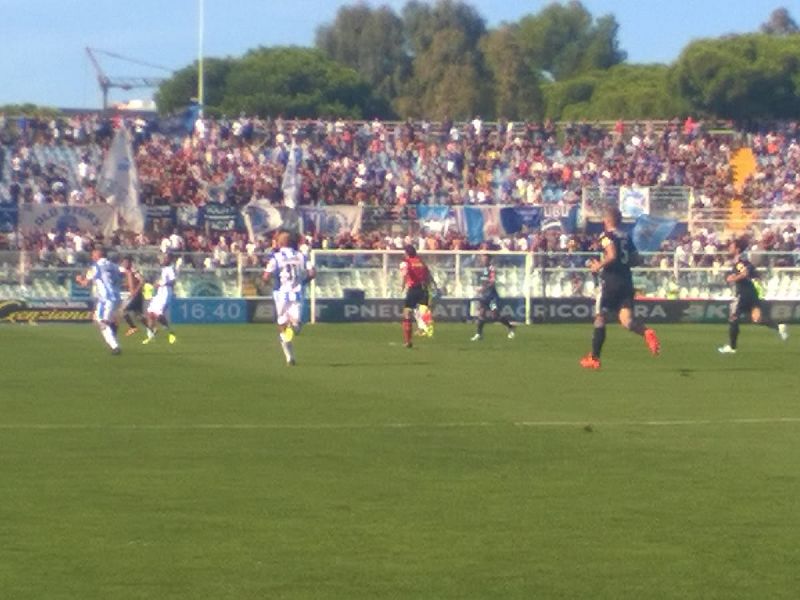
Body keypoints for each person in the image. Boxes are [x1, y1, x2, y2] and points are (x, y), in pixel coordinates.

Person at [580, 207, 660, 369]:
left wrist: (598, 266)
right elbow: (636, 259)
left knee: (600, 317)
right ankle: (646, 332)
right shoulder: (626, 237)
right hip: (626, 281)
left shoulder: (606, 236)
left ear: (608, 221)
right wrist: (624, 264)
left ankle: (594, 358)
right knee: (627, 321)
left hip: (611, 281)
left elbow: (612, 255)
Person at [718, 239, 788, 353]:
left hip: (744, 293)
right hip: (751, 292)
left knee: (733, 317)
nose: (729, 249)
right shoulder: (743, 261)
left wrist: (733, 278)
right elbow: (751, 272)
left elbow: (744, 273)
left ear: (737, 249)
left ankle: (732, 347)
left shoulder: (739, 262)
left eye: (731, 247)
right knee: (757, 318)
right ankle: (778, 327)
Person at [263, 231, 314, 365]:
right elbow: (312, 273)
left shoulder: (276, 257)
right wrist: (303, 282)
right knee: (296, 325)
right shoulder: (301, 256)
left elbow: (266, 276)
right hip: (296, 293)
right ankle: (290, 351)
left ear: (280, 243)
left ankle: (289, 356)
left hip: (280, 295)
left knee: (282, 324)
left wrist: (272, 285)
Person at [75, 245, 122, 355]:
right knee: (106, 320)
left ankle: (115, 346)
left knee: (101, 321)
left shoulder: (95, 267)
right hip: (116, 297)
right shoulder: (113, 265)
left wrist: (79, 279)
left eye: (93, 254)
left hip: (105, 299)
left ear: (98, 254)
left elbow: (85, 283)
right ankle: (113, 332)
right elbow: (119, 277)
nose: (92, 256)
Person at [471, 253, 515, 341]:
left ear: (489, 260)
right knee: (481, 313)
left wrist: (482, 288)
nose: (483, 260)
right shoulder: (484, 269)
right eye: (483, 258)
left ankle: (510, 327)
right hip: (485, 297)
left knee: (495, 315)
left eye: (485, 259)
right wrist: (479, 289)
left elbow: (492, 282)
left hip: (492, 297)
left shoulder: (492, 269)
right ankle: (479, 334)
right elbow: (484, 281)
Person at [399, 245, 432, 348]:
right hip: (423, 289)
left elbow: (404, 274)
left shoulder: (406, 262)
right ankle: (424, 329)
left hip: (413, 289)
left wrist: (402, 286)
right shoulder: (421, 261)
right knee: (422, 311)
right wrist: (431, 286)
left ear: (407, 253)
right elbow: (428, 274)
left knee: (407, 313)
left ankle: (408, 341)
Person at [143, 253, 177, 345]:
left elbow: (173, 281)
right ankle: (151, 336)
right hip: (159, 294)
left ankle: (171, 332)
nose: (162, 259)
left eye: (165, 258)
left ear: (169, 259)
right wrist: (157, 284)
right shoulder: (164, 269)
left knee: (158, 314)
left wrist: (162, 284)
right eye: (163, 258)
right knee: (150, 313)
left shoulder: (170, 269)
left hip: (165, 294)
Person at [119, 256, 147, 337]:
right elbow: (130, 282)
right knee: (138, 315)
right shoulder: (126, 271)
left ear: (130, 263)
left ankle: (132, 327)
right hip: (135, 295)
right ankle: (151, 329)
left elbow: (142, 281)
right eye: (123, 262)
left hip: (136, 295)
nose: (124, 264)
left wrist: (135, 291)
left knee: (123, 311)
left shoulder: (134, 271)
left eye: (126, 262)